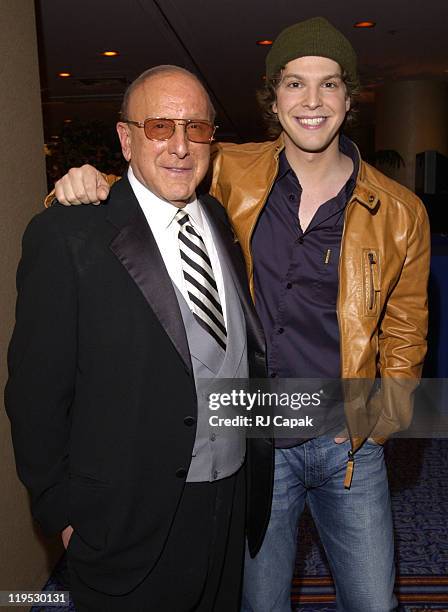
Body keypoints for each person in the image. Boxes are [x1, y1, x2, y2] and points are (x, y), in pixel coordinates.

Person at [44, 16, 430, 612]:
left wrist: (380, 421)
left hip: (346, 447)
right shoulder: (227, 170)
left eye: (330, 84)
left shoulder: (400, 211)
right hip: (253, 444)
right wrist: (78, 185)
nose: (312, 101)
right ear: (273, 98)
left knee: (376, 603)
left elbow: (406, 330)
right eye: (296, 83)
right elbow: (149, 186)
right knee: (259, 603)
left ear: (350, 98)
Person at [5, 65, 273, 612]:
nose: (179, 145)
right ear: (126, 139)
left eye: (196, 128)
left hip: (228, 498)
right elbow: (34, 395)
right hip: (124, 518)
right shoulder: (67, 235)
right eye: (159, 127)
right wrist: (61, 514)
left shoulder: (219, 219)